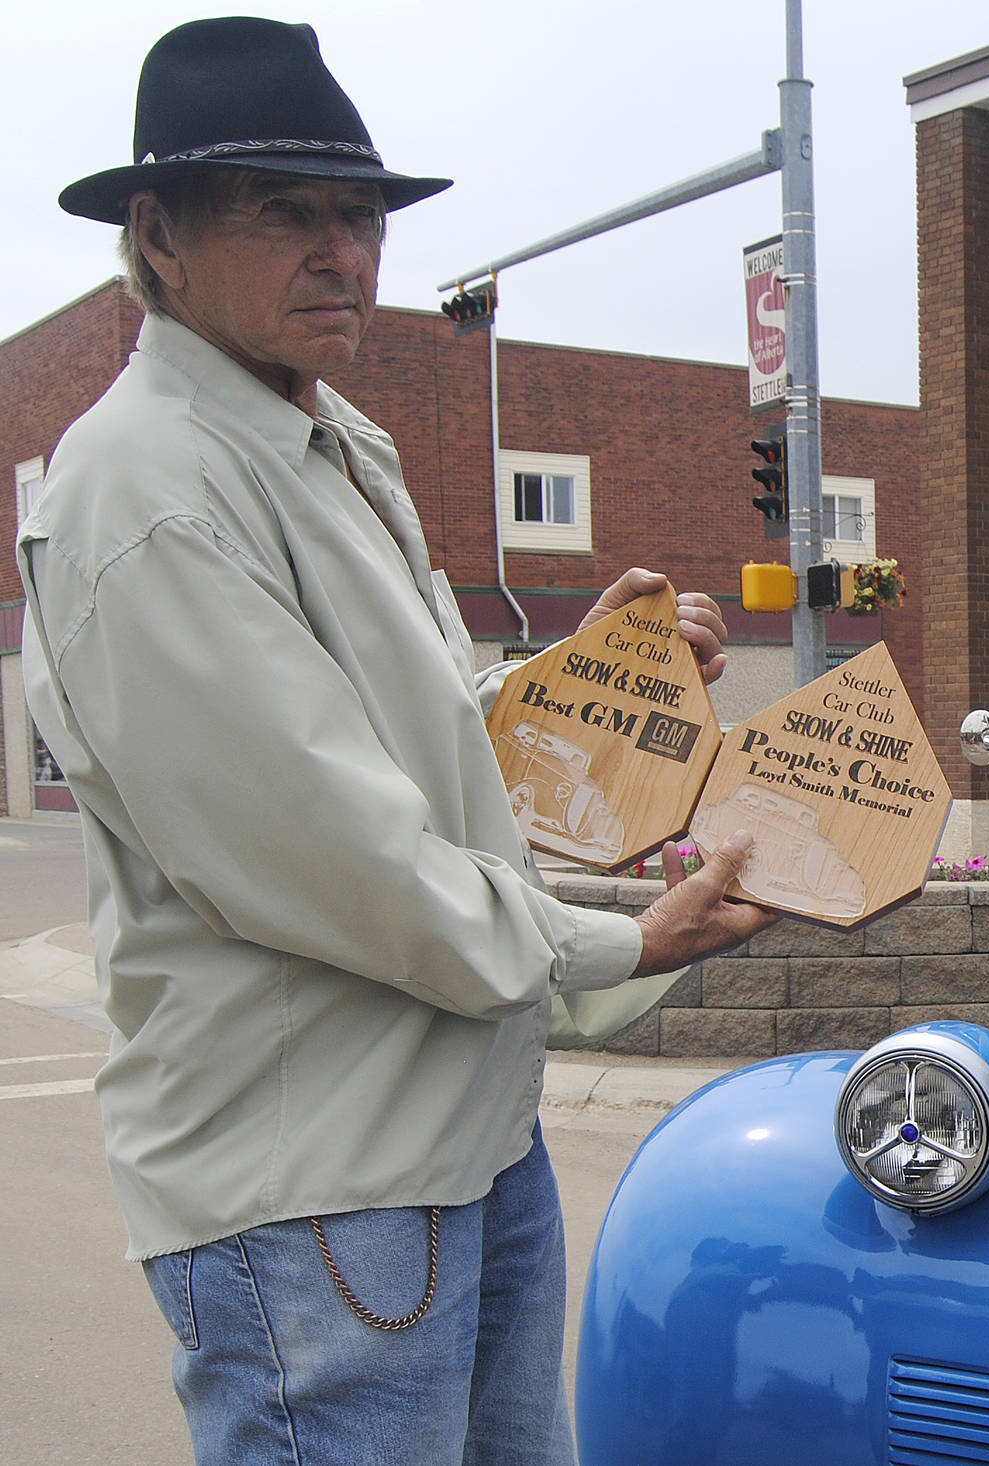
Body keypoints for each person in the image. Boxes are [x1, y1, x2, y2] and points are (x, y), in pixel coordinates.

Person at [17, 18, 777, 1465]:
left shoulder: (329, 438)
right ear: (158, 236)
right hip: (321, 1197)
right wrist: (622, 947)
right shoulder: (146, 491)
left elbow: (415, 744)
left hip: (459, 1145)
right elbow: (339, 853)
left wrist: (583, 679)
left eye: (359, 215)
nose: (343, 252)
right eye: (284, 211)